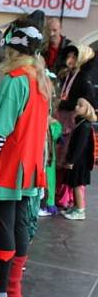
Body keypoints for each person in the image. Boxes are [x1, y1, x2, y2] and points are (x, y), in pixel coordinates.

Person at [0, 21, 51, 297]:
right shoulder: (41, 79)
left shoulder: (15, 81)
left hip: (10, 166)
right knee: (19, 225)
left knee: (3, 225)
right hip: (31, 167)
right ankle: (13, 289)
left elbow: (1, 130)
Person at [54, 43, 96, 206]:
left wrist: (63, 104)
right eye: (68, 56)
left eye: (74, 57)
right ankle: (65, 198)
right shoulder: (68, 75)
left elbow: (87, 103)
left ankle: (74, 202)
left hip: (75, 124)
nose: (69, 59)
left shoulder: (84, 79)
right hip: (67, 123)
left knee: (73, 167)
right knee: (64, 162)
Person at [61, 97, 96, 221]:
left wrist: (71, 160)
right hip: (78, 160)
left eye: (80, 106)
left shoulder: (84, 126)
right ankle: (76, 206)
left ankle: (80, 209)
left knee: (77, 185)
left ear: (87, 109)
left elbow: (80, 145)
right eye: (77, 105)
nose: (76, 107)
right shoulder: (80, 123)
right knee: (74, 184)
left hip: (80, 162)